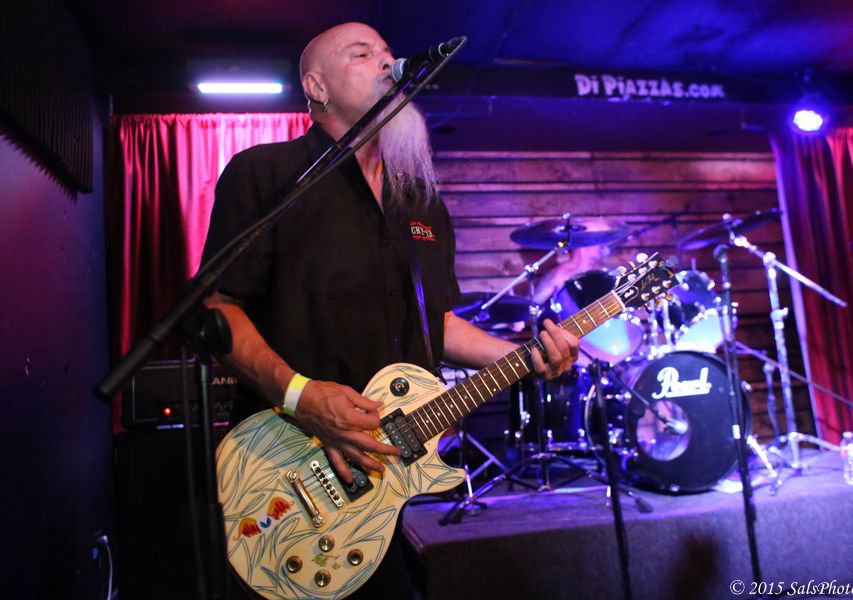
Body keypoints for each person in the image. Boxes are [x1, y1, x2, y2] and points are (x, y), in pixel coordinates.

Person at [201, 22, 579, 599]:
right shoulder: (267, 173)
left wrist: (525, 356)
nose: (388, 62)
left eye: (387, 52)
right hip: (288, 464)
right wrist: (302, 396)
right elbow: (219, 306)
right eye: (362, 54)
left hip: (377, 482)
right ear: (317, 88)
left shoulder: (420, 201)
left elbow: (436, 326)